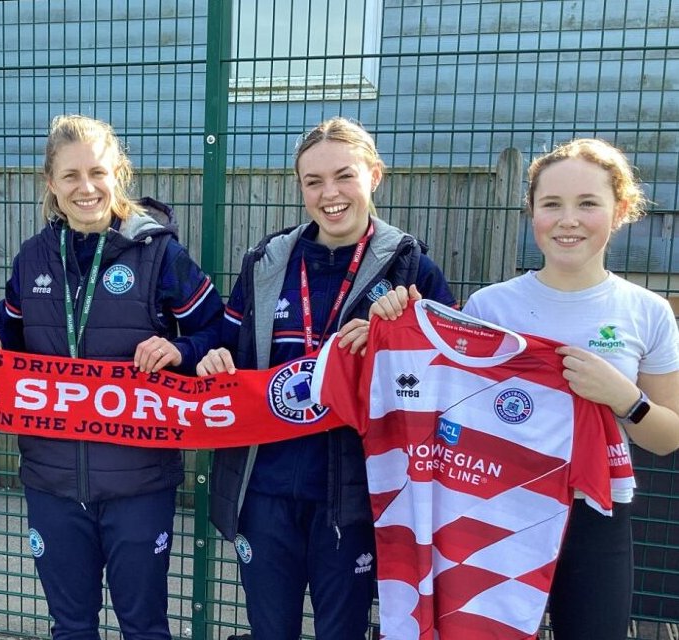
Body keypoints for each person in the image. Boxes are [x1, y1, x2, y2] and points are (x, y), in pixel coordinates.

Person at [368, 138, 679, 640]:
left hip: (594, 515)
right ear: (531, 210)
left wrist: (624, 397)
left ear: (620, 210)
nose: (568, 220)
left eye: (587, 204)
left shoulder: (647, 311)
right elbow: (439, 397)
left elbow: (668, 436)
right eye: (551, 204)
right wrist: (391, 325)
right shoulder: (492, 308)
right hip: (494, 507)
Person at [195, 116, 456, 640]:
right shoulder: (266, 262)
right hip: (264, 489)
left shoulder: (411, 270)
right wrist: (206, 359)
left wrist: (398, 333)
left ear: (375, 176)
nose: (329, 194)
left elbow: (448, 377)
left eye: (344, 176)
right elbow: (223, 342)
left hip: (354, 494)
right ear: (300, 187)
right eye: (313, 181)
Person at [0, 114, 223, 639]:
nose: (86, 188)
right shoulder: (32, 256)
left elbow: (219, 336)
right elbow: (7, 334)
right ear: (51, 185)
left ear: (118, 173)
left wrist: (178, 348)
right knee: (70, 626)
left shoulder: (161, 255)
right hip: (52, 480)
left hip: (139, 481)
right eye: (70, 176)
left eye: (97, 172)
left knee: (144, 626)